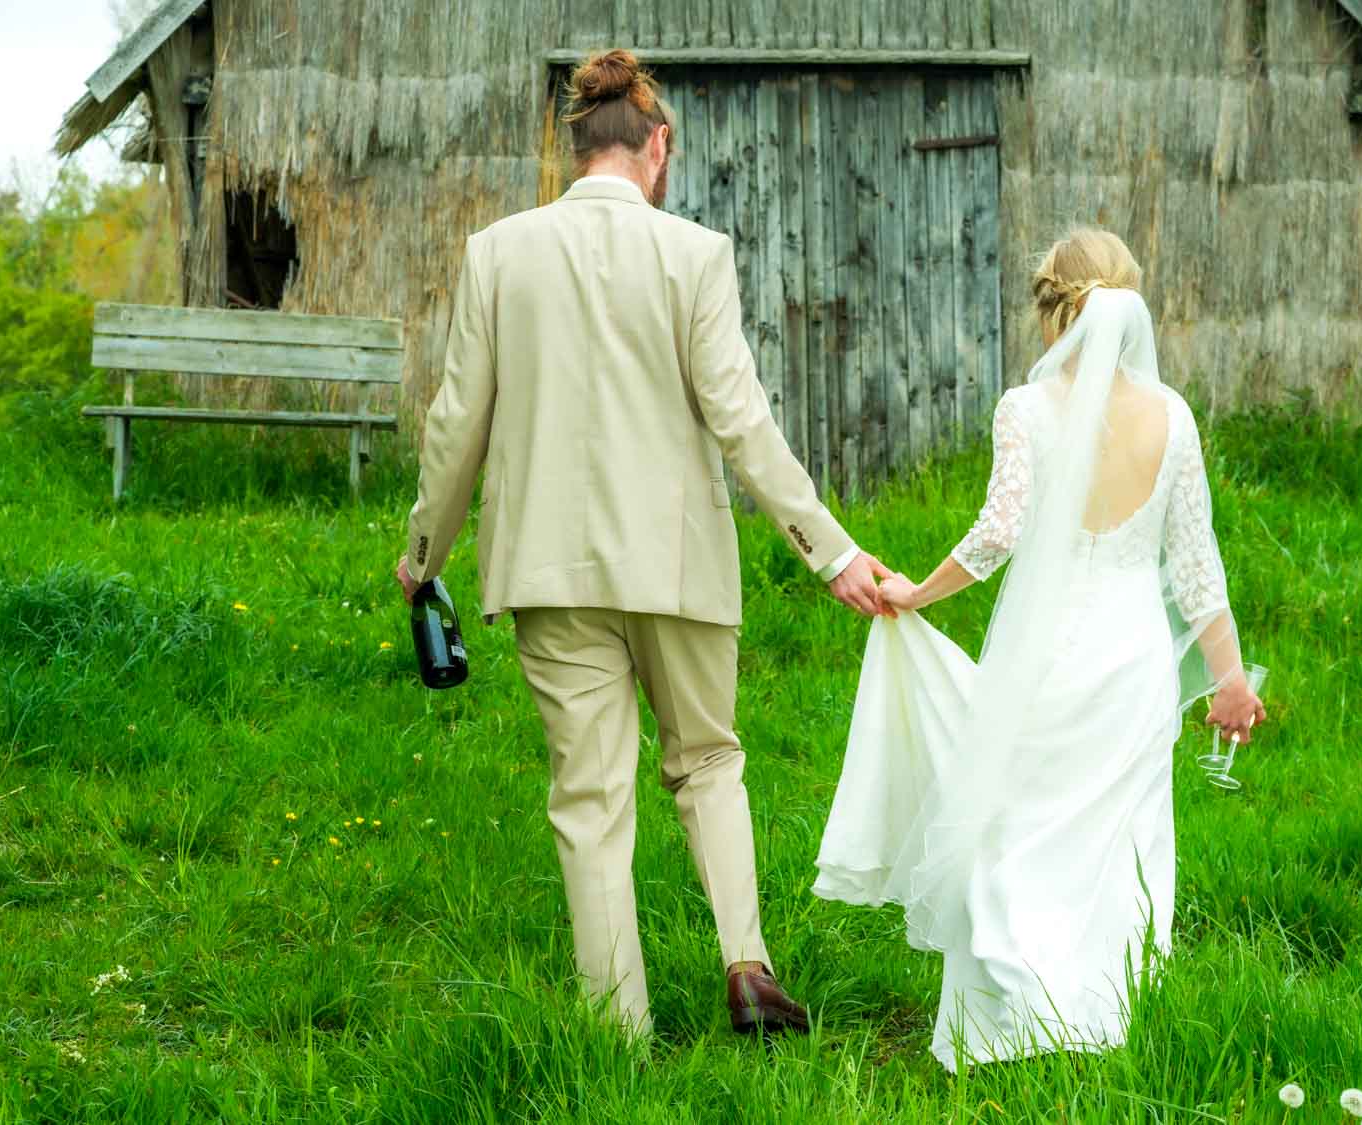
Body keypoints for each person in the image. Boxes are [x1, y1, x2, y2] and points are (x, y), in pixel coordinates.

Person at [395, 48, 891, 1040]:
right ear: (654, 145)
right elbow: (742, 420)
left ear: (575, 146)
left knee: (590, 799)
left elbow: (456, 423)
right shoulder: (695, 254)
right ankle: (745, 965)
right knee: (708, 760)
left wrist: (425, 555)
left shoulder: (498, 252)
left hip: (550, 569)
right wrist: (833, 552)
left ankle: (616, 1032)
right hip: (679, 563)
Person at [812, 229, 1267, 1070]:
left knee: (1017, 827)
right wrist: (1230, 678)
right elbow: (1196, 565)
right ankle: (1102, 1016)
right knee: (1121, 837)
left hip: (1049, 652)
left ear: (1052, 310)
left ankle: (1011, 1011)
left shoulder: (1027, 410)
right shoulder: (1172, 417)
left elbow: (999, 533)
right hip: (1134, 658)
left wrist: (916, 591)